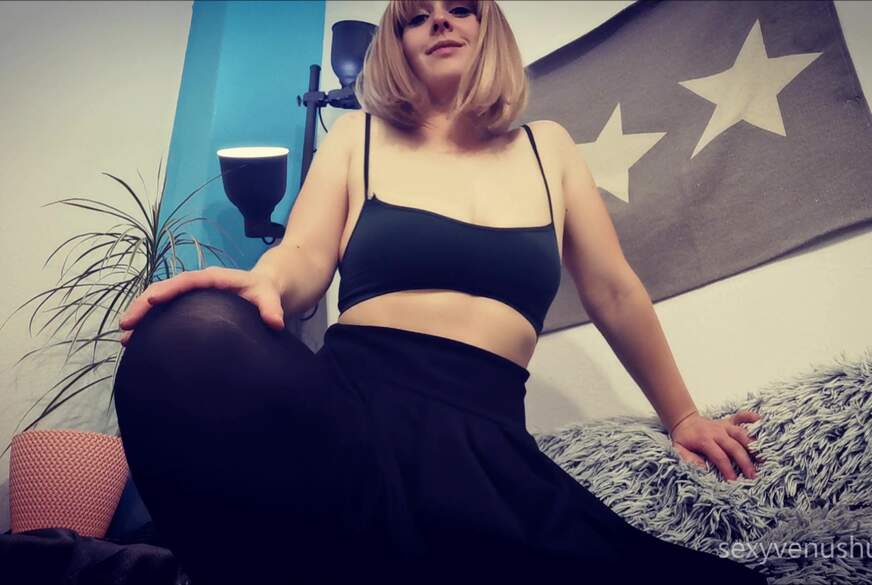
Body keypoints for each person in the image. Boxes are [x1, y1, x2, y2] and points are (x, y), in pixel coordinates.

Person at [114, 1, 768, 584]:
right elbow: (305, 256)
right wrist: (266, 280)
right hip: (351, 410)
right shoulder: (358, 136)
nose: (439, 22)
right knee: (184, 337)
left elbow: (615, 291)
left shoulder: (549, 148)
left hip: (485, 444)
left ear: (490, 29)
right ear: (397, 43)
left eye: (459, 8)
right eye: (416, 16)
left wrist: (684, 416)